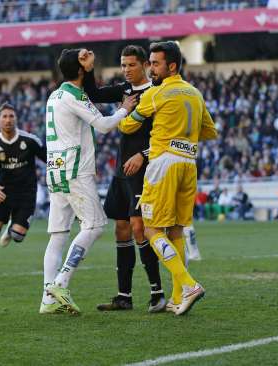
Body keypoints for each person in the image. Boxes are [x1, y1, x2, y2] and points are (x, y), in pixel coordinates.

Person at [119, 41, 217, 315]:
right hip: (189, 164)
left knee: (150, 229)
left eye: (156, 63)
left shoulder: (156, 93)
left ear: (171, 66)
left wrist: (126, 111)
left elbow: (127, 125)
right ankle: (176, 298)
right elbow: (210, 131)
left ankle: (188, 284)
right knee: (175, 230)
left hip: (163, 163)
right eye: (150, 62)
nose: (151, 68)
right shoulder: (195, 94)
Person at [40, 48, 137, 315]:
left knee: (58, 234)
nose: (89, 56)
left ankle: (48, 299)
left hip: (55, 169)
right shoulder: (73, 95)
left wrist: (88, 68)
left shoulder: (55, 95)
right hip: (74, 170)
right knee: (95, 225)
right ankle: (60, 283)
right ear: (80, 69)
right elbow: (104, 125)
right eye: (84, 58)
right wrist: (124, 110)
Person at [78, 45, 166, 312]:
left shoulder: (157, 93)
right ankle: (124, 297)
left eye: (131, 65)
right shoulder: (124, 91)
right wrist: (88, 68)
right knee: (122, 229)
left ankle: (157, 293)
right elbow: (92, 93)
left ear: (145, 66)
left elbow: (166, 136)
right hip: (121, 171)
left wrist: (143, 154)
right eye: (123, 65)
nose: (126, 70)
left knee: (140, 228)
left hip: (145, 170)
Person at [0, 103, 46, 280]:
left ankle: (13, 228)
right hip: (3, 193)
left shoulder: (30, 140)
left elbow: (49, 159)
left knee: (17, 236)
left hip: (26, 194)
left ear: (16, 118)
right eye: (4, 116)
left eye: (11, 116)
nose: (8, 120)